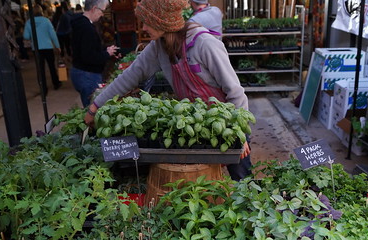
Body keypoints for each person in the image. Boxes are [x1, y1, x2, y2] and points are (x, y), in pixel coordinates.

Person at [83, 0, 252, 181]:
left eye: (148, 22)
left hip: (229, 121)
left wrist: (238, 132)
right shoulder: (158, 48)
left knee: (241, 177)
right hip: (198, 123)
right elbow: (128, 77)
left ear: (162, 22)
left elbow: (235, 92)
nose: (145, 28)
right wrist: (95, 107)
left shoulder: (204, 44)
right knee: (204, 176)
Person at [70, 0, 119, 107]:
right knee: (92, 109)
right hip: (88, 75)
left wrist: (106, 50)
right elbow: (89, 56)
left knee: (90, 107)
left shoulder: (80, 23)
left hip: (81, 72)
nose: (102, 14)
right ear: (94, 9)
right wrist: (107, 54)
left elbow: (88, 48)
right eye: (102, 10)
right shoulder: (87, 28)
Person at [23, 4, 62, 93]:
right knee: (51, 66)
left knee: (40, 69)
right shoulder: (46, 21)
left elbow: (26, 36)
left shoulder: (29, 22)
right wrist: (57, 46)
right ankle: (56, 83)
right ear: (42, 12)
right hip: (48, 47)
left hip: (36, 48)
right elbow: (53, 34)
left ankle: (43, 88)